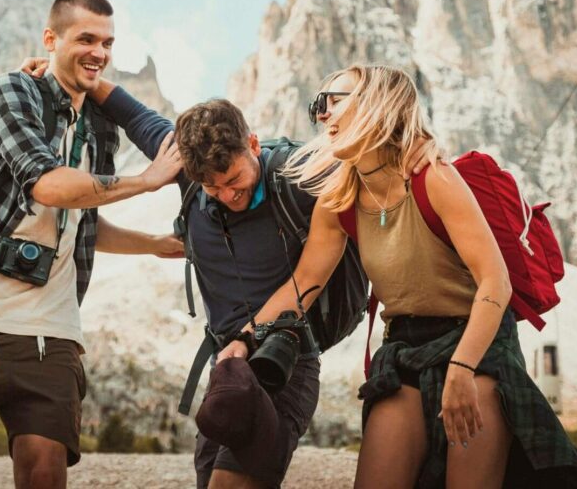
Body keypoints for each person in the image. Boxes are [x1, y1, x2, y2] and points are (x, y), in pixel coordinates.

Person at [227, 64, 577, 488]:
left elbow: (495, 283)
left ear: (379, 104)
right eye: (317, 105)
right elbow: (303, 284)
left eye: (334, 101)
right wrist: (245, 338)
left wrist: (464, 368)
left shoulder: (434, 178)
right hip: (404, 348)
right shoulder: (338, 200)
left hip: (476, 342)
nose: (321, 115)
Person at [0, 0, 184, 489]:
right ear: (51, 38)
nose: (100, 52)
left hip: (55, 331)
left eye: (108, 43)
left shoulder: (101, 127)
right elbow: (47, 185)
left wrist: (153, 244)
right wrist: (147, 181)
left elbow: (84, 219)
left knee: (45, 473)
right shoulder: (10, 92)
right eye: (86, 38)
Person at [76, 74, 368, 489]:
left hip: (285, 360)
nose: (227, 195)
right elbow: (132, 113)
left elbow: (311, 276)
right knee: (209, 479)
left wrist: (247, 339)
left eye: (234, 180)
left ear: (252, 145)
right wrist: (72, 73)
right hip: (228, 366)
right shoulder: (190, 173)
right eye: (212, 188)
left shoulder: (299, 175)